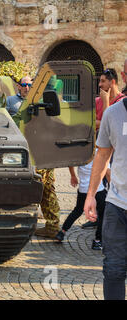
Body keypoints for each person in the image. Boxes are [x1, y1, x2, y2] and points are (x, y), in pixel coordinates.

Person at [84, 97, 127, 300]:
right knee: (113, 269)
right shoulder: (113, 113)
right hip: (117, 205)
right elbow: (102, 155)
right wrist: (91, 194)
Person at [8, 75, 61, 238]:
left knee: (42, 188)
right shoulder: (13, 102)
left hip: (39, 152)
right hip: (33, 151)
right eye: (24, 85)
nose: (27, 88)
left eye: (30, 85)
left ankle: (47, 225)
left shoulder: (41, 102)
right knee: (42, 188)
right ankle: (49, 225)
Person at [55, 154, 109, 250]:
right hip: (98, 190)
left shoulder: (82, 152)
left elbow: (70, 162)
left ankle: (62, 231)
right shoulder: (100, 152)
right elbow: (107, 172)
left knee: (77, 211)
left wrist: (73, 176)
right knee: (102, 214)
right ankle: (98, 241)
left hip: (83, 190)